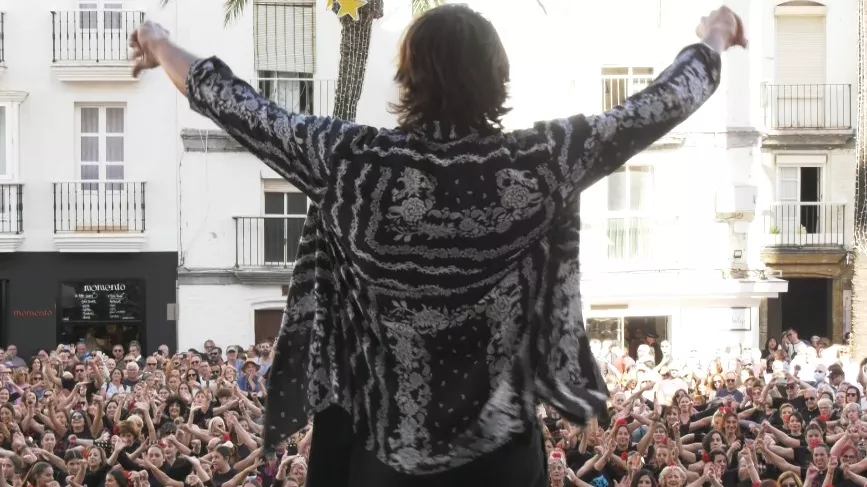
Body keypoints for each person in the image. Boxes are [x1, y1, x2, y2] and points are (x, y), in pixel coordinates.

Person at [128, 4, 747, 487]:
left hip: (383, 467)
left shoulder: (351, 161)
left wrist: (158, 43)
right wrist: (713, 35)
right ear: (498, 78)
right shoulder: (541, 162)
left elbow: (235, 103)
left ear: (408, 76)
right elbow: (658, 105)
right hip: (501, 464)